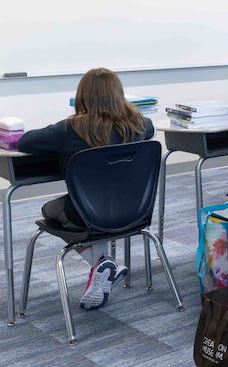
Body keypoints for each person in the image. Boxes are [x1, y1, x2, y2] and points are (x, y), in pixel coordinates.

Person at [16, 68, 155, 311]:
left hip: (89, 215)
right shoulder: (142, 124)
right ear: (119, 95)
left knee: (51, 209)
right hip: (134, 212)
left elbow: (25, 142)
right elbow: (147, 132)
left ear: (82, 97)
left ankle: (102, 262)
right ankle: (103, 266)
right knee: (91, 210)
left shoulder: (69, 130)